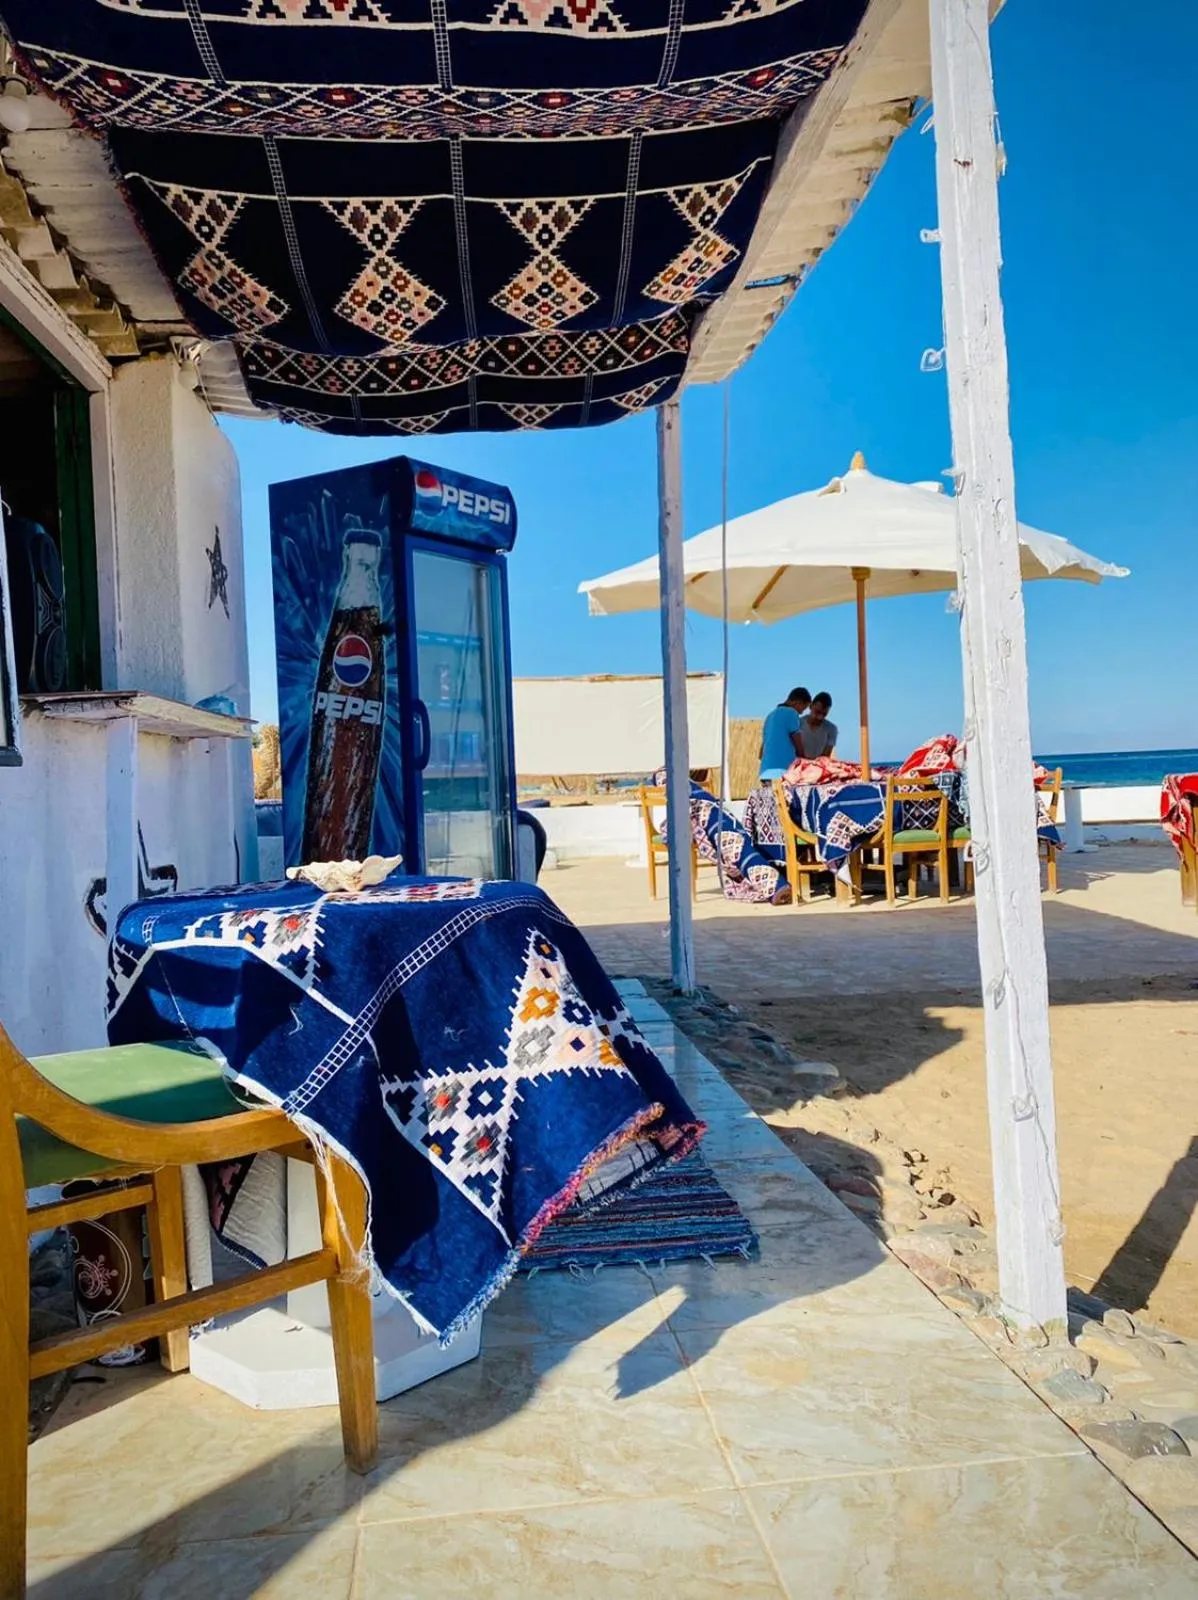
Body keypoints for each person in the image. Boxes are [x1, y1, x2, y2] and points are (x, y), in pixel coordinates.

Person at [758, 687, 811, 781]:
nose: (801, 713)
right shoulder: (791, 713)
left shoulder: (769, 716)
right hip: (783, 772)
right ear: (797, 702)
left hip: (765, 773)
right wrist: (807, 763)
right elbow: (799, 747)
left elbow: (761, 753)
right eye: (803, 708)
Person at [799, 692, 838, 759]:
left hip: (818, 767)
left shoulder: (832, 729)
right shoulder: (798, 723)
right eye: (817, 712)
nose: (820, 717)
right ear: (811, 706)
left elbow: (825, 757)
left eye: (824, 714)